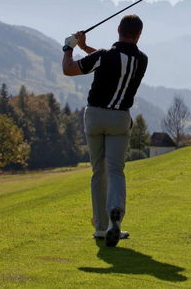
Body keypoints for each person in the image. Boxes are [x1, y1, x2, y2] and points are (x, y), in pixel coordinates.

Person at [62, 14, 148, 247]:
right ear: (139, 35)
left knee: (98, 171)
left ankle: (101, 227)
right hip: (120, 119)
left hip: (95, 117)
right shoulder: (142, 60)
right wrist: (86, 47)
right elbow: (112, 63)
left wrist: (69, 48)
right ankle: (115, 215)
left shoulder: (103, 56)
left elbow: (69, 70)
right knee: (115, 171)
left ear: (118, 29)